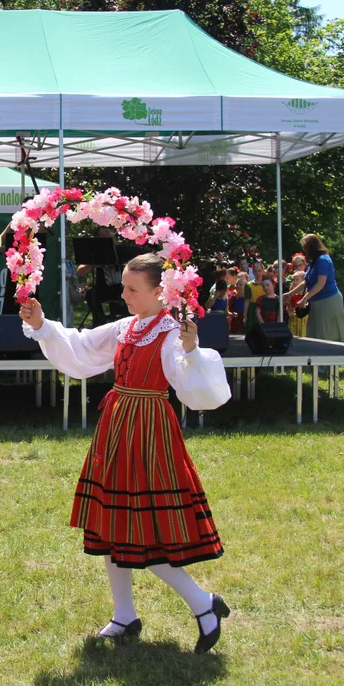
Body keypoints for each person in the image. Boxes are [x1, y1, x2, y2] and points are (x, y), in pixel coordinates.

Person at [19, 253, 232, 654]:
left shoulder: (171, 332)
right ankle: (124, 614)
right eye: (125, 287)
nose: (125, 294)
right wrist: (42, 325)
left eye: (134, 289)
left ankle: (203, 604)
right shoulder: (127, 327)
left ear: (159, 292)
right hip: (117, 427)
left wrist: (191, 350)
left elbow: (195, 389)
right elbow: (82, 349)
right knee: (111, 524)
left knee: (147, 533)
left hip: (149, 433)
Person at [297, 234, 344, 343]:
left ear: (311, 246)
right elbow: (307, 281)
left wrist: (305, 299)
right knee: (317, 336)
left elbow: (320, 284)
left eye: (305, 247)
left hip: (329, 301)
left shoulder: (323, 260)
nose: (304, 250)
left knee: (330, 335)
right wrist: (289, 294)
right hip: (317, 303)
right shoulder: (313, 262)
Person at [77, 226, 128, 327]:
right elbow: (80, 272)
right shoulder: (95, 251)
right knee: (90, 294)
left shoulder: (124, 249)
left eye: (106, 232)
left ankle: (126, 321)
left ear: (114, 232)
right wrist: (93, 264)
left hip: (122, 288)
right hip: (103, 288)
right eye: (101, 233)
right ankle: (100, 322)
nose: (103, 235)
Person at [286, 253, 309, 337]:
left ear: (305, 265)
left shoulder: (308, 277)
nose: (298, 268)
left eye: (300, 265)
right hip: (294, 314)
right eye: (295, 266)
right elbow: (291, 291)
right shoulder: (291, 278)